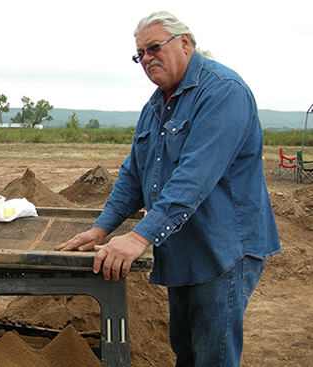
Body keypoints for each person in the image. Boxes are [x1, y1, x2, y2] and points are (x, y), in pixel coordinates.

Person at [56, 11, 281, 367]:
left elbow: (194, 178)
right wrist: (102, 227)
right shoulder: (156, 104)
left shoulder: (223, 91)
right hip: (185, 249)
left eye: (153, 48)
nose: (146, 59)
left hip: (224, 249)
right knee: (187, 351)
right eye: (140, 54)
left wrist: (138, 237)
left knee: (213, 357)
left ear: (185, 44)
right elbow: (133, 175)